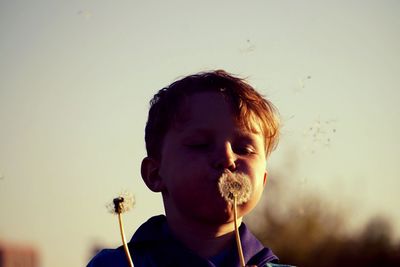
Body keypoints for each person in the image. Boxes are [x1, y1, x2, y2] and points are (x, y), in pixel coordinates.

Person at [87, 70, 293, 267]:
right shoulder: (116, 264)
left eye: (244, 148)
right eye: (200, 145)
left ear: (263, 180)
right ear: (155, 173)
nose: (227, 158)